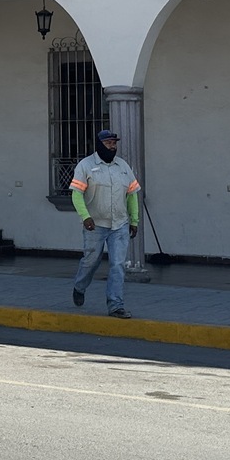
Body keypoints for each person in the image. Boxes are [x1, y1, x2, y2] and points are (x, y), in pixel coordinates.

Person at [68, 130, 140, 319]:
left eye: (114, 143)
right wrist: (85, 217)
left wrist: (134, 220)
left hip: (120, 224)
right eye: (108, 143)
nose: (112, 146)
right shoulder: (85, 165)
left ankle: (116, 305)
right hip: (95, 224)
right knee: (91, 261)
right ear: (99, 144)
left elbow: (132, 195)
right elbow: (76, 194)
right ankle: (79, 286)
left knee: (117, 264)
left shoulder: (123, 166)